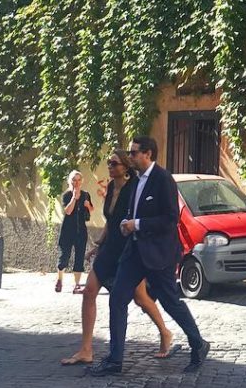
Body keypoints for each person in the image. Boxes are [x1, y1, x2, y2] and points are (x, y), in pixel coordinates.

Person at [89, 136, 209, 376]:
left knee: (170, 302)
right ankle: (115, 360)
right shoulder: (136, 181)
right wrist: (127, 224)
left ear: (148, 154)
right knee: (117, 299)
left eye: (134, 153)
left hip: (159, 254)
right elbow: (133, 212)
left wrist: (137, 224)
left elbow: (170, 219)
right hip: (134, 252)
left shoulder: (163, 179)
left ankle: (198, 343)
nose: (130, 157)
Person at [61, 151, 172, 365]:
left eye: (114, 163)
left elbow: (141, 218)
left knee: (140, 298)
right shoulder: (111, 187)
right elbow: (111, 221)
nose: (110, 167)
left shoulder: (134, 188)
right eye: (108, 163)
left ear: (125, 167)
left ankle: (165, 332)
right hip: (110, 247)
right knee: (89, 292)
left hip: (129, 249)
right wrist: (98, 245)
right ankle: (86, 350)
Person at [56, 170, 94, 293]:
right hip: (67, 230)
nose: (76, 182)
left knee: (79, 257)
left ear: (81, 181)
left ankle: (77, 284)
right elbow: (68, 211)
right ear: (70, 181)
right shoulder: (66, 195)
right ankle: (59, 279)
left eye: (78, 180)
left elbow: (91, 209)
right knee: (64, 257)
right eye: (74, 180)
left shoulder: (86, 194)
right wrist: (74, 198)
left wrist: (88, 205)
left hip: (81, 230)